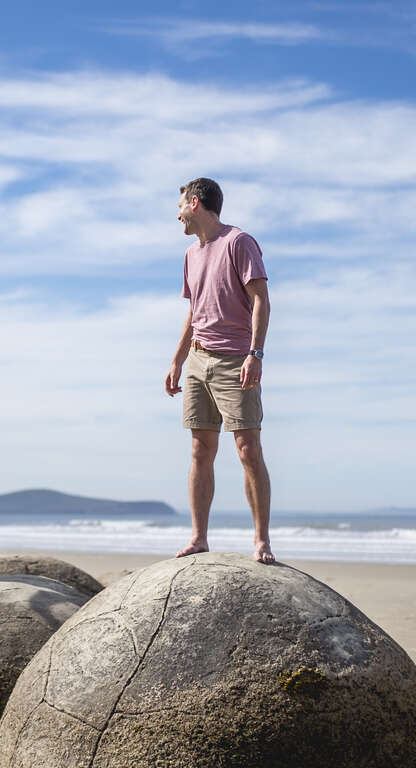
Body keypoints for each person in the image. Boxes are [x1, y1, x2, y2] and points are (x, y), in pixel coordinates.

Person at [163, 177, 275, 564]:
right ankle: (198, 537)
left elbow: (260, 299)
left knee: (248, 450)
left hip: (235, 361)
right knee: (200, 450)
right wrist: (177, 360)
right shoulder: (192, 255)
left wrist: (255, 353)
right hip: (197, 360)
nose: (177, 215)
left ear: (194, 203)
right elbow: (194, 312)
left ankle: (261, 541)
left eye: (180, 206)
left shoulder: (239, 242)